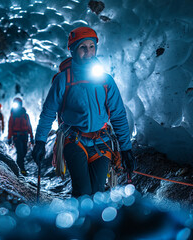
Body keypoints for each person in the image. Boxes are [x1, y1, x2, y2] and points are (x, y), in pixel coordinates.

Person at [32, 26, 137, 197]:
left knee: (97, 193)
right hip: (74, 139)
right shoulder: (62, 80)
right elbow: (48, 113)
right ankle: (77, 221)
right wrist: (40, 141)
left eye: (92, 47)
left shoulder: (105, 80)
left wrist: (126, 149)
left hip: (101, 141)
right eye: (83, 47)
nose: (88, 52)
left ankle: (92, 223)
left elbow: (118, 115)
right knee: (83, 191)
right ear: (72, 50)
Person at [8, 97, 34, 176]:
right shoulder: (13, 115)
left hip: (25, 136)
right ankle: (21, 169)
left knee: (24, 151)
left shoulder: (25, 115)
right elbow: (10, 127)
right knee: (20, 152)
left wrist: (32, 137)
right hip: (17, 136)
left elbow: (29, 126)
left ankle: (20, 166)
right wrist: (9, 137)